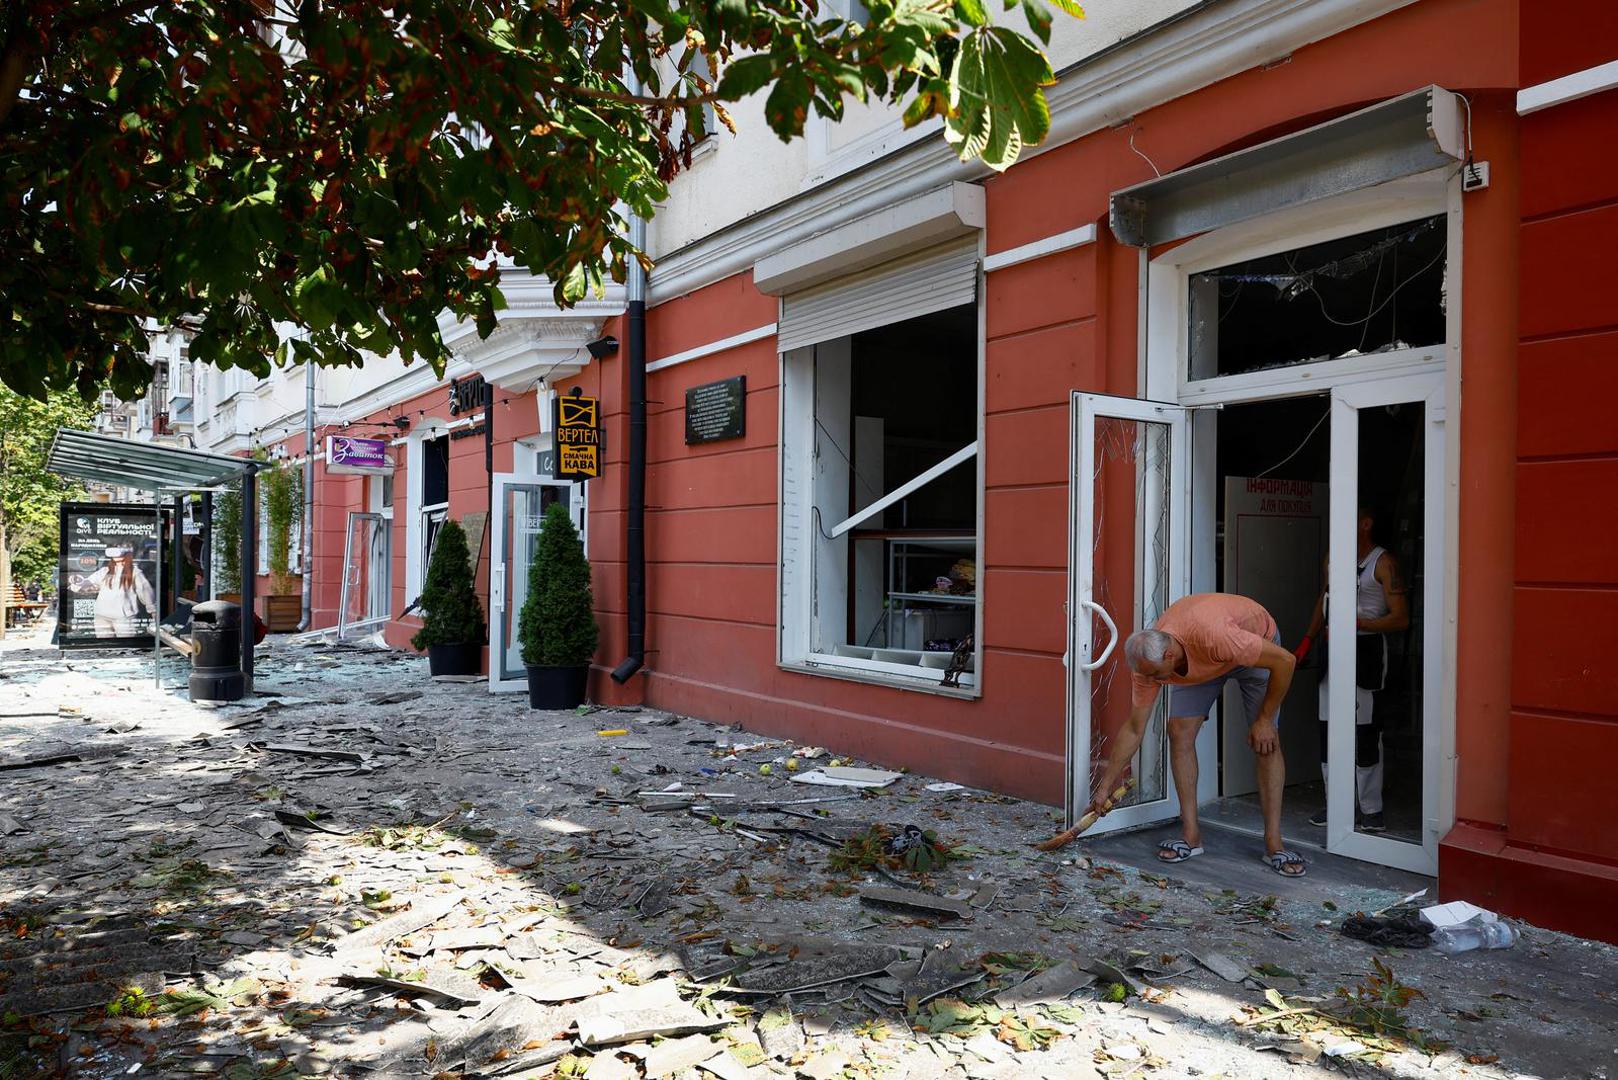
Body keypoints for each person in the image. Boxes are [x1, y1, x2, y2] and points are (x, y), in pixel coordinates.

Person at [1090, 593, 1305, 877]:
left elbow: (1286, 662)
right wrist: (1105, 786)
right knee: (1178, 732)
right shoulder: (1148, 664)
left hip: (1253, 645)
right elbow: (1134, 728)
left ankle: (1274, 844)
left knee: (1265, 741)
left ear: (1168, 655)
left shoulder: (1218, 636)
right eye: (1148, 676)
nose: (1152, 682)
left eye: (1156, 676)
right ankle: (1191, 837)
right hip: (1201, 659)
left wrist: (1264, 719)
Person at [1294, 507, 1409, 832]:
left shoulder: (1383, 563)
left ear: (1366, 524)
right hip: (1332, 649)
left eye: (1347, 517)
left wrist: (1358, 623)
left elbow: (1401, 618)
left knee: (1366, 730)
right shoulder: (1334, 556)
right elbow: (1324, 599)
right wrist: (1307, 639)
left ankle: (1371, 808)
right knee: (1328, 726)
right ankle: (1337, 804)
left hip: (1368, 649)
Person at [81, 546, 157, 638]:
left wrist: (152, 610)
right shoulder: (105, 571)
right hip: (102, 615)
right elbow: (89, 582)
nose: (116, 554)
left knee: (126, 646)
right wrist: (78, 581)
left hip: (124, 616)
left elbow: (145, 591)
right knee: (104, 646)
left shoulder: (134, 572)